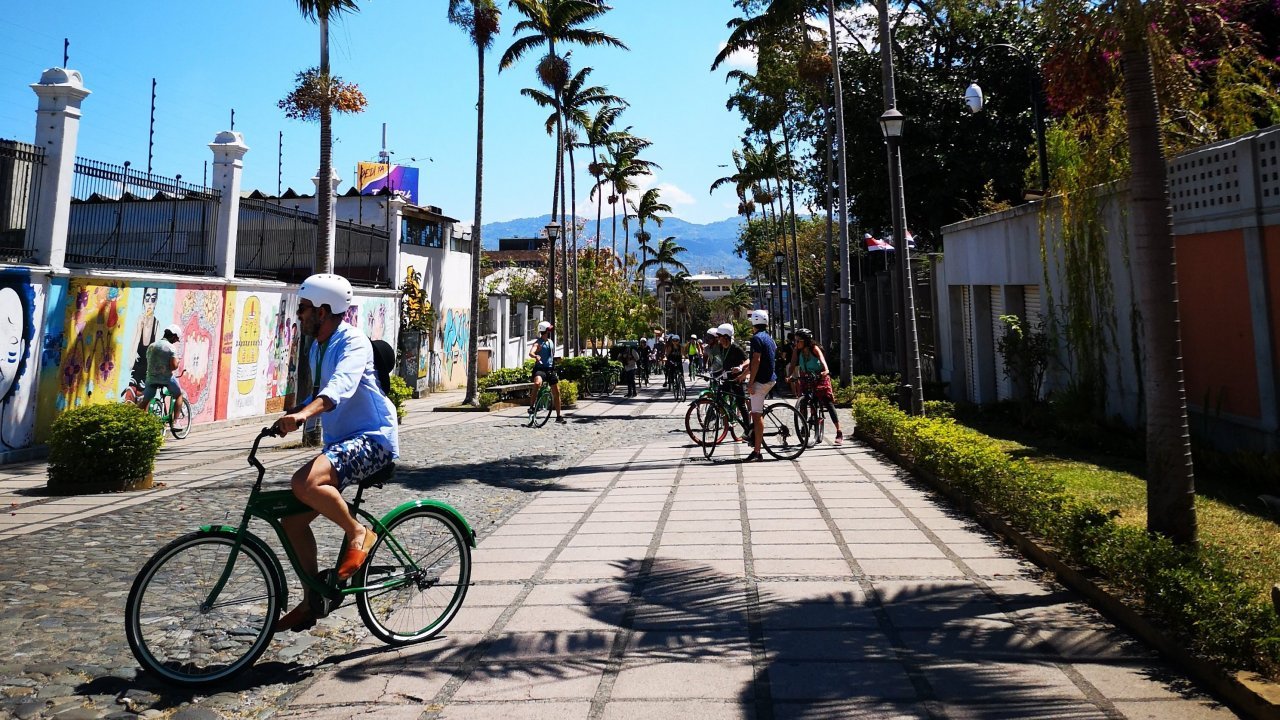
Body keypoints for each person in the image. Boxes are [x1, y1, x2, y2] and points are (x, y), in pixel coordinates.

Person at [272, 273, 400, 633]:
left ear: (324, 310)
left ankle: (359, 533)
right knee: (292, 521)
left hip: (373, 439)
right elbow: (320, 393)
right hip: (342, 443)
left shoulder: (353, 342)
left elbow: (340, 387)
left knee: (306, 481)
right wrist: (292, 412)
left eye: (304, 308)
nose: (299, 315)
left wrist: (302, 415)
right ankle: (313, 600)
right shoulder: (318, 346)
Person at [790, 328, 844, 445]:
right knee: (803, 402)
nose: (796, 343)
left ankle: (839, 431)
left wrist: (826, 370)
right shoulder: (797, 350)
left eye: (798, 340)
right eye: (795, 340)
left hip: (819, 376)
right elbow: (793, 363)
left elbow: (822, 360)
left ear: (805, 341)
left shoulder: (814, 348)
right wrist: (789, 376)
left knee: (827, 402)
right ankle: (805, 426)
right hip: (805, 376)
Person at [744, 309, 777, 462]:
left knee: (756, 416)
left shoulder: (756, 338)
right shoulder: (769, 338)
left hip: (761, 381)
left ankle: (757, 451)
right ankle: (752, 436)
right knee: (755, 411)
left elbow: (756, 361)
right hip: (770, 378)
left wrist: (750, 382)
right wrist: (742, 375)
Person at [139, 324, 184, 409]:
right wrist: (177, 362)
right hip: (165, 379)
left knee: (145, 401)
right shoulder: (171, 348)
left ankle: (135, 418)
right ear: (173, 336)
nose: (175, 341)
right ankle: (175, 421)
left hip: (150, 379)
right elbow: (173, 366)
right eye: (176, 339)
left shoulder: (151, 346)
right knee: (179, 395)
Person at [529, 321, 566, 423]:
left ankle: (559, 416)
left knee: (556, 392)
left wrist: (557, 359)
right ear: (545, 331)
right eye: (549, 329)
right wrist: (535, 355)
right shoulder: (538, 343)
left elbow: (550, 357)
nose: (550, 331)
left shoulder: (550, 342)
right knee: (537, 383)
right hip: (540, 369)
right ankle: (531, 407)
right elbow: (531, 352)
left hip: (550, 369)